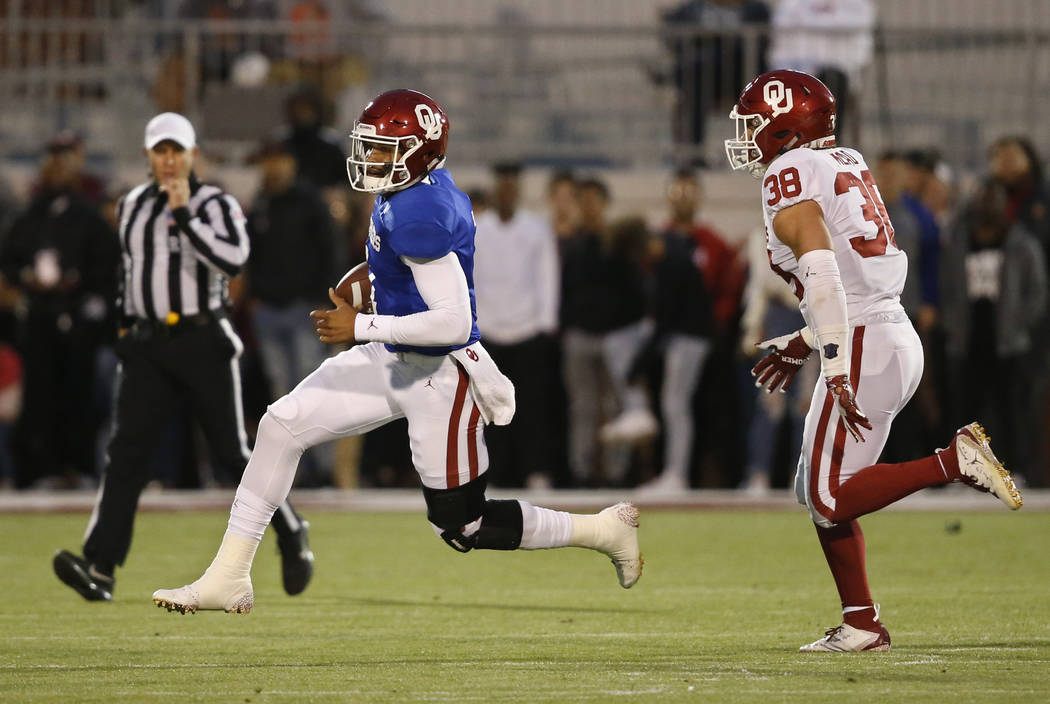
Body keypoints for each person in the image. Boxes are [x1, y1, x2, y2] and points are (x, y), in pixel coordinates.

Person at [151, 90, 641, 615]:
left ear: (420, 151)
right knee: (279, 427)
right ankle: (229, 576)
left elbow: (453, 322)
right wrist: (375, 289)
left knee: (461, 526)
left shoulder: (421, 211)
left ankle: (604, 530)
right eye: (372, 146)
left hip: (441, 374)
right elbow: (407, 275)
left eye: (386, 148)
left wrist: (361, 323)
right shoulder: (409, 191)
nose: (372, 158)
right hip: (394, 354)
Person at [725, 69, 1023, 652]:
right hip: (886, 331)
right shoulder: (844, 160)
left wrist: (831, 360)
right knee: (819, 493)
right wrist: (807, 340)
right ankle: (861, 623)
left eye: (755, 122)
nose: (747, 135)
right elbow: (853, 276)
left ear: (785, 129)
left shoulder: (788, 173)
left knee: (828, 493)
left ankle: (953, 462)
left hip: (862, 341)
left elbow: (823, 270)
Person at [52, 113, 314, 603]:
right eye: (160, 151)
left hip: (201, 337)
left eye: (177, 150)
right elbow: (131, 272)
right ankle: (101, 567)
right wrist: (127, 324)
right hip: (148, 345)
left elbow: (234, 259)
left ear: (192, 154)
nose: (169, 160)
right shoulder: (131, 204)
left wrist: (185, 215)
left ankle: (290, 531)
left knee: (232, 453)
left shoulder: (214, 202)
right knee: (126, 455)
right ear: (149, 155)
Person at [0, 136, 119, 489]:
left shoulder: (88, 217)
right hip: (38, 317)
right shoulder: (32, 215)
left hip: (77, 319)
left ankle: (78, 467)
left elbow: (107, 271)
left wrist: (80, 289)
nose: (59, 166)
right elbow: (10, 261)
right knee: (40, 397)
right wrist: (26, 278)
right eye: (53, 158)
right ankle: (41, 470)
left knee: (78, 396)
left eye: (66, 158)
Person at [941, 181, 1046, 484]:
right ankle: (966, 472)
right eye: (983, 200)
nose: (987, 207)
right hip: (967, 340)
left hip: (1008, 343)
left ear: (1003, 206)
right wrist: (952, 324)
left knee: (1011, 409)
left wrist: (1020, 324)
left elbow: (1036, 290)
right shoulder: (960, 242)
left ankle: (1016, 470)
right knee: (965, 411)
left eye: (993, 201)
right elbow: (947, 288)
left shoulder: (1020, 242)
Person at [473, 162, 560, 489]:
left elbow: (546, 275)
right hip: (490, 332)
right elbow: (471, 278)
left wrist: (545, 324)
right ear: (496, 190)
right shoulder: (478, 228)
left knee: (533, 408)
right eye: (502, 186)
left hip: (528, 331)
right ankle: (494, 474)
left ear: (519, 191)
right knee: (491, 409)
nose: (507, 192)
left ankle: (536, 471)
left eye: (512, 186)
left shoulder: (536, 228)